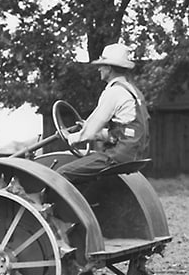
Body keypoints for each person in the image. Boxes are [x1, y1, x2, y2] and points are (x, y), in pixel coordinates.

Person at [57, 43, 150, 182]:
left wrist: (70, 137)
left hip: (118, 156)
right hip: (134, 155)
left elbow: (89, 131)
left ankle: (44, 202)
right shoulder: (132, 91)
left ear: (110, 68)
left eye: (102, 65)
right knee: (84, 174)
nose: (99, 68)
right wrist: (96, 133)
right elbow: (124, 132)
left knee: (60, 173)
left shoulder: (114, 92)